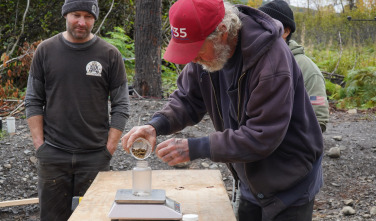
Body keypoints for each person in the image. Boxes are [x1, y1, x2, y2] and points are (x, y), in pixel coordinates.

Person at [121, 0, 323, 220]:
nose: (192, 58)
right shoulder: (209, 54)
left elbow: (262, 136)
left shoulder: (272, 60)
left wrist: (197, 147)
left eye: (195, 49)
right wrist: (155, 125)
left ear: (223, 32)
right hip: (251, 178)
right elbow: (188, 100)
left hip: (289, 181)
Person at [25, 0, 130, 220]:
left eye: (88, 16)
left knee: (94, 216)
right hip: (53, 155)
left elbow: (121, 106)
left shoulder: (110, 54)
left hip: (94, 156)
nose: (82, 22)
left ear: (94, 19)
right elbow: (33, 100)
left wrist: (108, 149)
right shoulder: (46, 50)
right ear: (65, 15)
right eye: (76, 15)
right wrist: (40, 146)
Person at [260, 0, 329, 132]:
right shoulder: (255, 63)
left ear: (285, 31)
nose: (258, 31)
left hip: (293, 148)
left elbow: (319, 119)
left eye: (266, 26)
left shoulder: (306, 68)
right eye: (258, 26)